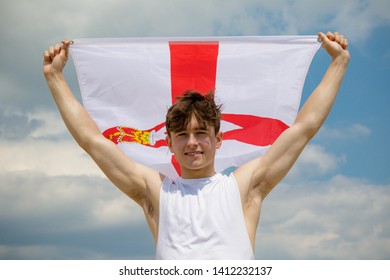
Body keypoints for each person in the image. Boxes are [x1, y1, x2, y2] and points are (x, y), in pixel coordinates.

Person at [43, 31, 350, 259]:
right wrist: (55, 77)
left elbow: (303, 129)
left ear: (218, 139)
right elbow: (92, 141)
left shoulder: (243, 188)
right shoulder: (156, 191)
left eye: (201, 133)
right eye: (182, 135)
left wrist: (338, 63)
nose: (192, 143)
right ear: (169, 143)